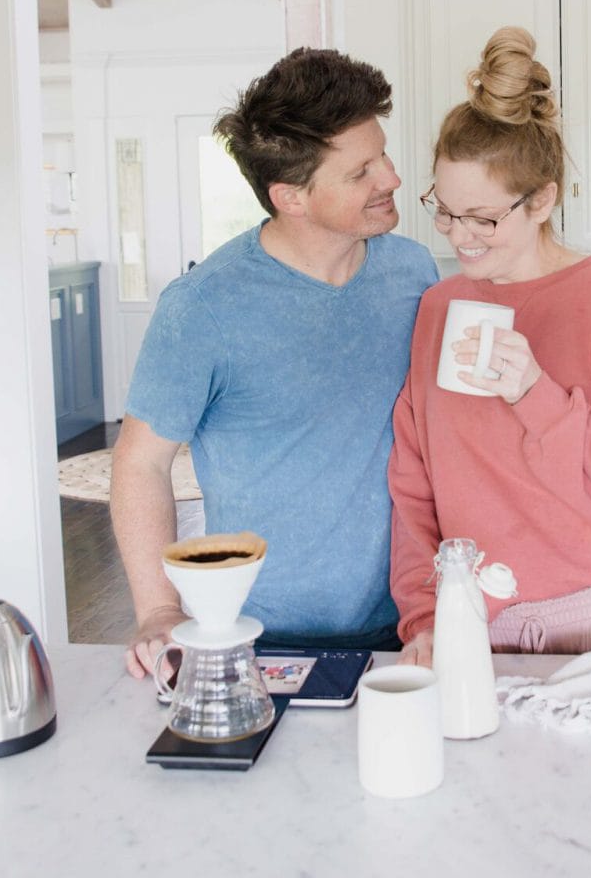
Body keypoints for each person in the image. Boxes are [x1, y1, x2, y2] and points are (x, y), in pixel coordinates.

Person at [112, 47, 439, 678]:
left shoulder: (413, 272)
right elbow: (140, 462)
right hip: (257, 636)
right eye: (361, 171)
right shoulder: (203, 308)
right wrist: (157, 610)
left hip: (408, 623)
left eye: (383, 154)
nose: (392, 178)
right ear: (290, 195)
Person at [388, 26, 591, 666]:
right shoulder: (439, 310)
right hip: (474, 625)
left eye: (484, 219)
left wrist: (535, 395)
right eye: (444, 210)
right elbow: (414, 489)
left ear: (543, 199)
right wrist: (425, 614)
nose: (458, 237)